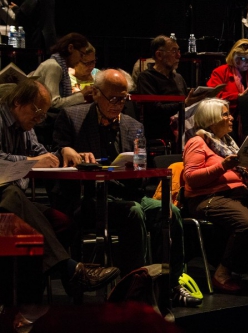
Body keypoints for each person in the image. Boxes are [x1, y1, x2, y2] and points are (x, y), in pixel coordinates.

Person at [0, 79, 119, 304]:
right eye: (36, 112)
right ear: (17, 103)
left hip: (14, 206)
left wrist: (64, 152)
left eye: (43, 115)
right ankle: (71, 271)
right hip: (5, 199)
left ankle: (32, 297)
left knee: (63, 222)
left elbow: (42, 154)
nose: (39, 119)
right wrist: (32, 161)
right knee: (12, 195)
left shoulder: (27, 128)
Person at [51, 69, 148, 277]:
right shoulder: (72, 117)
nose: (118, 105)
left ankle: (172, 282)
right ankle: (134, 285)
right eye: (112, 99)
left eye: (123, 99)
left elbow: (144, 174)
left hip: (126, 193)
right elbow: (55, 157)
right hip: (87, 199)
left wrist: (137, 169)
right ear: (95, 93)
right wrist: (66, 151)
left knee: (169, 212)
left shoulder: (134, 126)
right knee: (134, 211)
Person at [183, 98, 248, 293]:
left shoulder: (227, 142)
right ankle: (222, 274)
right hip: (208, 198)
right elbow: (191, 178)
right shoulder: (198, 142)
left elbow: (236, 176)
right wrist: (223, 166)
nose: (231, 118)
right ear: (211, 119)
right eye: (225, 114)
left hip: (239, 195)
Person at [136, 35, 207, 151]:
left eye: (178, 51)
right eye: (174, 51)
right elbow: (154, 110)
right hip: (160, 135)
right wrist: (184, 104)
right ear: (159, 55)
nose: (179, 55)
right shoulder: (146, 78)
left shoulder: (178, 78)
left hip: (184, 131)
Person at [206, 38, 248, 107]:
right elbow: (213, 96)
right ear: (235, 56)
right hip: (228, 114)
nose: (247, 62)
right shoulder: (220, 72)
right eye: (244, 58)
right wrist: (239, 96)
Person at [33, 32, 92, 108]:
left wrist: (83, 93)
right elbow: (54, 103)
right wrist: (81, 94)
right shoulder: (54, 67)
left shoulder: (61, 66)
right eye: (81, 54)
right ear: (70, 48)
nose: (81, 59)